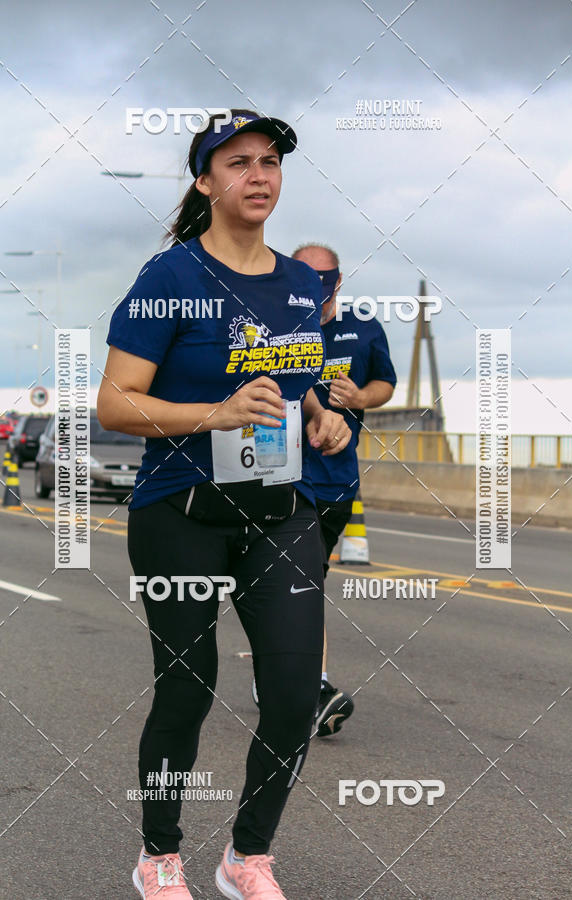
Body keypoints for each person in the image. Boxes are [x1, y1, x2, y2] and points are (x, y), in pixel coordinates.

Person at [97, 109, 351, 900]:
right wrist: (215, 414)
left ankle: (247, 857)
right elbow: (114, 403)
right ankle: (159, 854)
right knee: (189, 685)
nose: (259, 174)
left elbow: (295, 382)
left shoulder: (303, 283)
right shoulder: (169, 278)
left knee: (289, 694)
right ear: (205, 181)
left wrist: (321, 416)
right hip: (182, 514)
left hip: (282, 510)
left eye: (270, 160)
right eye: (238, 161)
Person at [292, 243, 397, 737]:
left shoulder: (365, 326)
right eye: (304, 275)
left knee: (312, 579)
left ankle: (284, 677)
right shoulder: (278, 323)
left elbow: (385, 385)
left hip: (336, 478)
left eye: (324, 276)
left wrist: (360, 396)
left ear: (338, 279)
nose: (315, 285)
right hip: (282, 476)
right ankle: (312, 687)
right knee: (302, 581)